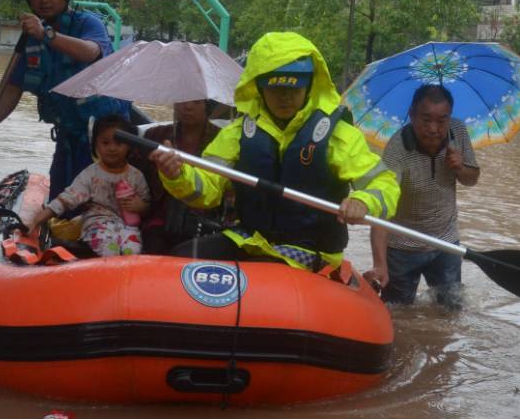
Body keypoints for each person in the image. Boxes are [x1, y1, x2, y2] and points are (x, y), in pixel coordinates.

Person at [149, 31, 400, 271]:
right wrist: (177, 175)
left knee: (262, 273)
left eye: (293, 89)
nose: (285, 98)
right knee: (180, 258)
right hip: (251, 239)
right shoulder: (237, 133)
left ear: (310, 86)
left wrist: (363, 201)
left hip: (310, 250)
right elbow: (208, 190)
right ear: (259, 87)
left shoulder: (337, 134)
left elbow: (384, 183)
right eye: (275, 89)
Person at [0, 0, 128, 200]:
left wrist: (47, 34)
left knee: (93, 202)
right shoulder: (30, 41)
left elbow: (91, 51)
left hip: (105, 140)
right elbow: (12, 89)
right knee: (59, 201)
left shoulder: (87, 23)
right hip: (68, 136)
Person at [368, 84, 479, 308]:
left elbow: (472, 178)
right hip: (402, 246)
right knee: (397, 313)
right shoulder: (396, 150)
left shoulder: (458, 132)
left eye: (441, 120)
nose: (433, 129)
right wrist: (380, 264)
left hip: (446, 243)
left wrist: (460, 167)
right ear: (411, 115)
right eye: (426, 119)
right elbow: (381, 209)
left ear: (450, 117)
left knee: (451, 312)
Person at [24, 115, 150, 257]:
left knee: (133, 251)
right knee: (110, 250)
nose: (112, 148)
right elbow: (66, 199)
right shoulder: (90, 174)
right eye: (105, 143)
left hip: (128, 227)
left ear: (129, 146)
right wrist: (37, 220)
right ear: (95, 144)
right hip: (97, 224)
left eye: (119, 143)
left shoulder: (136, 176)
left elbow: (147, 205)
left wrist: (140, 206)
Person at [131, 99, 225, 254]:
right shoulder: (155, 135)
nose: (188, 107)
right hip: (159, 217)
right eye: (182, 101)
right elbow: (136, 174)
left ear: (207, 106)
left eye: (196, 102)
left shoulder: (221, 139)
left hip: (205, 221)